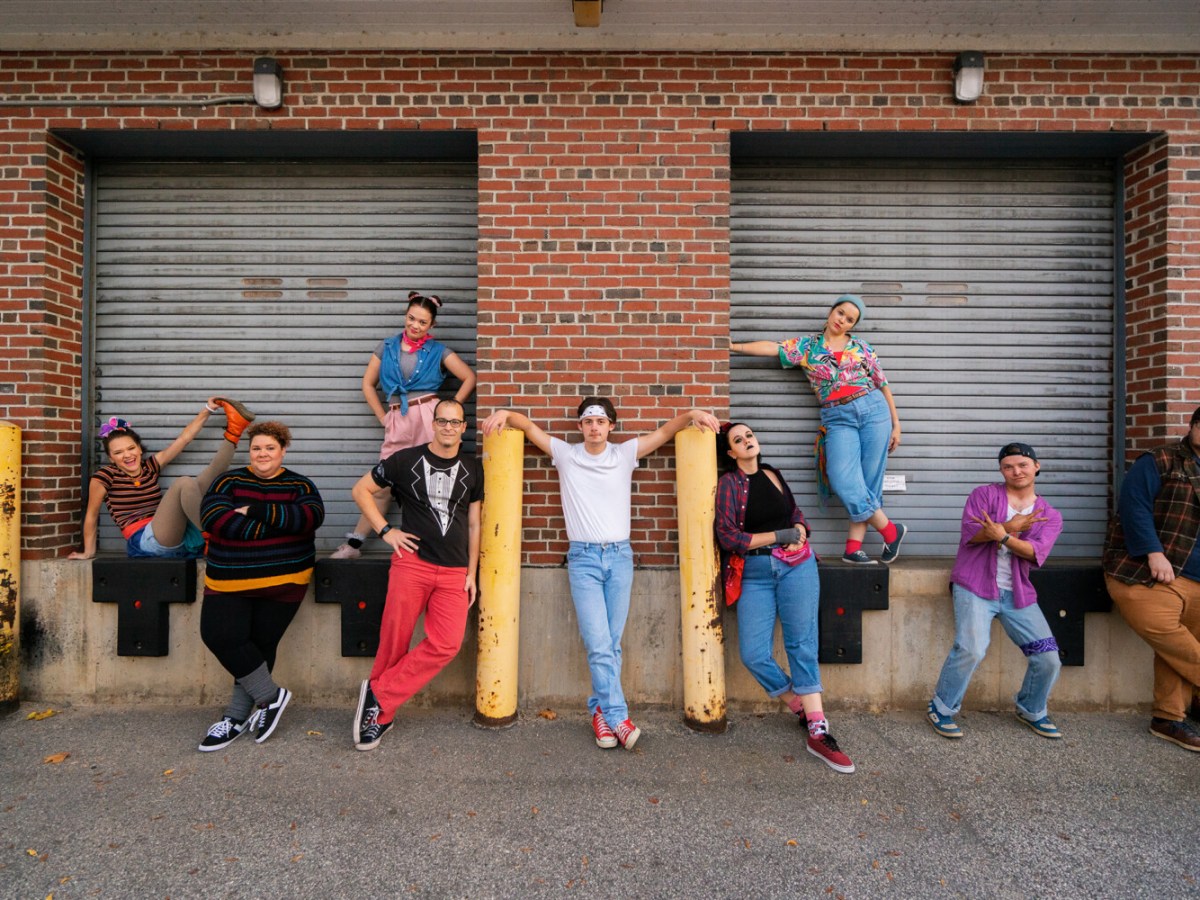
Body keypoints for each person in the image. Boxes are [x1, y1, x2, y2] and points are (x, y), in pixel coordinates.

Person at [482, 398, 720, 751]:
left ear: (611, 426)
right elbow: (529, 428)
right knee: (598, 644)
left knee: (611, 644)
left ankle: (599, 713)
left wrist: (692, 414)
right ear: (580, 426)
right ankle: (619, 717)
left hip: (620, 557)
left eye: (601, 421)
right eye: (588, 421)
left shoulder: (623, 454)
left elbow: (664, 433)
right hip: (584, 560)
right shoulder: (566, 455)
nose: (594, 427)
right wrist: (506, 414)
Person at [714, 422, 856, 774]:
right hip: (756, 573)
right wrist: (780, 535)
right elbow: (728, 536)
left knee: (801, 644)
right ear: (731, 452)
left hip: (798, 567)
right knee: (753, 653)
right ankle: (800, 707)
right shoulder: (730, 483)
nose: (747, 441)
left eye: (749, 435)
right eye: (738, 440)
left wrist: (801, 531)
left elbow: (794, 513)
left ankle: (819, 730)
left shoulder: (772, 473)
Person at [730, 294, 907, 565]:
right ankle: (891, 532)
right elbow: (773, 347)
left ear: (853, 325)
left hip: (874, 411)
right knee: (842, 479)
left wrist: (896, 424)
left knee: (867, 484)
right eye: (840, 313)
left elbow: (882, 384)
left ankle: (852, 549)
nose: (842, 320)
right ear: (831, 311)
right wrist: (734, 346)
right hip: (837, 417)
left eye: (850, 319)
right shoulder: (808, 346)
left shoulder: (862, 347)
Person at [351, 399, 483, 751]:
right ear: (434, 424)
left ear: (463, 427)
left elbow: (474, 523)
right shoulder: (404, 460)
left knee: (446, 644)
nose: (448, 427)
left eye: (455, 422)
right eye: (443, 421)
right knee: (395, 640)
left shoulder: (473, 468)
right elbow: (361, 491)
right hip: (412, 564)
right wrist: (385, 531)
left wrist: (471, 572)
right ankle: (381, 717)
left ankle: (379, 693)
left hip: (454, 570)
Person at [196, 421, 325, 751]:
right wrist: (280, 527)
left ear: (283, 450)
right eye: (256, 448)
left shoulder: (300, 485)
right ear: (249, 451)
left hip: (284, 581)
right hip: (228, 579)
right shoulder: (228, 481)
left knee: (259, 646)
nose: (262, 453)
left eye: (270, 447)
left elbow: (310, 518)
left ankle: (235, 718)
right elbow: (214, 519)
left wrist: (254, 510)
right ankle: (271, 696)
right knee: (218, 635)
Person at [927, 442, 1064, 741]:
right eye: (1008, 467)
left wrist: (1002, 535)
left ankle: (1031, 709)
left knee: (1048, 657)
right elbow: (971, 535)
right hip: (974, 586)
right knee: (971, 648)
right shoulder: (984, 495)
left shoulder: (1049, 515)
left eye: (1023, 465)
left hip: (1018, 594)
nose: (1016, 471)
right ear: (1001, 470)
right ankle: (941, 707)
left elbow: (1035, 553)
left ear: (1036, 466)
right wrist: (1008, 526)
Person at [331, 291, 477, 559]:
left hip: (428, 417)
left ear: (432, 325)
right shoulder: (386, 347)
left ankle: (435, 549)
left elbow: (469, 377)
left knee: (432, 481)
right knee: (382, 484)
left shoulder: (439, 351)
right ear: (405, 316)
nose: (415, 325)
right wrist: (383, 417)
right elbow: (367, 384)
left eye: (422, 322)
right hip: (398, 418)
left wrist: (448, 410)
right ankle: (353, 545)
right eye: (411, 318)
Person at [1103, 407, 1200, 753]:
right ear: (1193, 426)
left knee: (1179, 647)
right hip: (1146, 573)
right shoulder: (1160, 460)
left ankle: (1168, 718)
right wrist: (1152, 552)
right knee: (1173, 638)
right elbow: (1134, 507)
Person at [68, 398, 256, 560]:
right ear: (111, 458)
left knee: (202, 481)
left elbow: (183, 440)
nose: (127, 455)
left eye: (131, 448)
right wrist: (89, 551)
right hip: (145, 541)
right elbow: (92, 515)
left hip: (177, 535)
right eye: (118, 452)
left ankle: (234, 431)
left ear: (139, 449)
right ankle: (213, 537)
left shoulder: (149, 467)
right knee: (184, 483)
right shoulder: (104, 476)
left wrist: (207, 409)